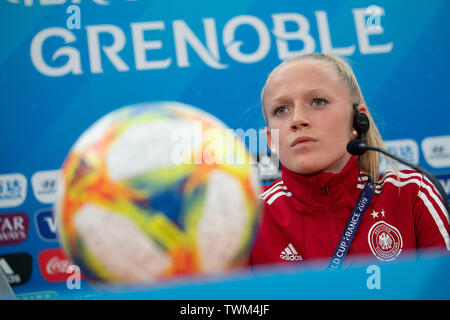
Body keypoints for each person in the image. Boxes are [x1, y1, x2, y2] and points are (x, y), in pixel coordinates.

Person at [250, 53, 450, 269]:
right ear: (271, 139)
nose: (297, 119)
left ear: (357, 121)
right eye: (281, 110)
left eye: (318, 101)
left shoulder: (411, 194)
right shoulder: (248, 218)